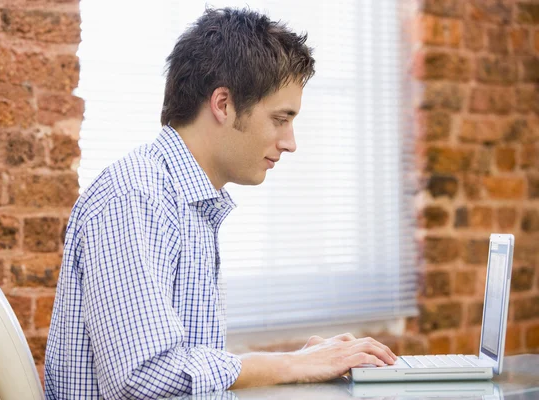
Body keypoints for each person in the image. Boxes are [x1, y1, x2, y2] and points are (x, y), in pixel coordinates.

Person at [44, 7, 397, 400]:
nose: (290, 142)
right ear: (223, 104)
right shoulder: (136, 196)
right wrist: (292, 365)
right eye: (280, 118)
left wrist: (297, 363)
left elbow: (182, 366)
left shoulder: (186, 202)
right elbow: (142, 376)